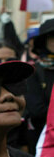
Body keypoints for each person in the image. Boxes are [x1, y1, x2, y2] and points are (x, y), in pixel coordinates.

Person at [25, 19, 54, 147]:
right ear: (44, 42)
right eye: (52, 37)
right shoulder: (34, 72)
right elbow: (37, 110)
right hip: (44, 140)